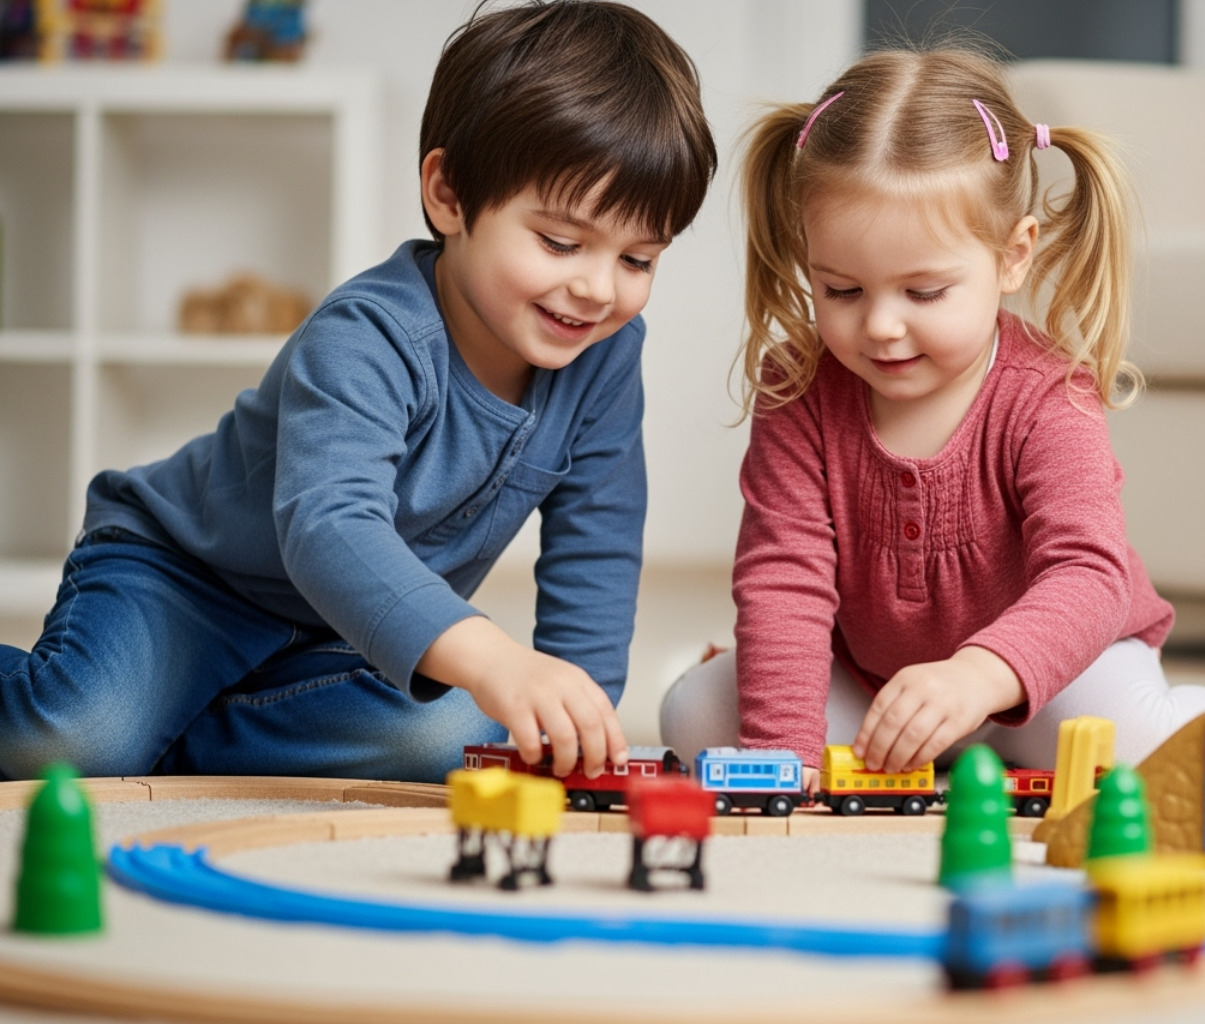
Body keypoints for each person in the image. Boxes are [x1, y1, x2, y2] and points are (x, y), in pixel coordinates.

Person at [0, 0, 717, 784]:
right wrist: (489, 655)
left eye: (638, 260)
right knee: (74, 744)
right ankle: (136, 718)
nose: (597, 289)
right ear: (448, 196)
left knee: (460, 742)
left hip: (347, 638)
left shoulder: (606, 355)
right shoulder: (368, 334)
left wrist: (581, 724)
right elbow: (329, 527)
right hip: (181, 582)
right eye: (560, 242)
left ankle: (176, 729)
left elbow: (598, 546)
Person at [659, 47, 1205, 790]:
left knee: (1138, 746)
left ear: (1013, 258)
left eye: (923, 292)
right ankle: (952, 744)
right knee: (696, 717)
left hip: (1061, 667)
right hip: (884, 680)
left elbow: (1088, 576)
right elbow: (784, 574)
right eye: (843, 289)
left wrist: (981, 676)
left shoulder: (1047, 396)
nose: (881, 326)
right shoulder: (800, 388)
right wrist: (789, 753)